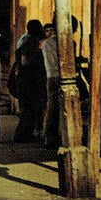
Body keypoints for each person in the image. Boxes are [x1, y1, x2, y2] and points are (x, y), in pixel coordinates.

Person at [12, 19, 47, 143]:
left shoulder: (24, 40)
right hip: (28, 80)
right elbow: (30, 62)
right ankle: (22, 134)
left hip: (23, 79)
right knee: (29, 109)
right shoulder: (32, 42)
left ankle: (24, 133)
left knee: (27, 109)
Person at [42, 21, 62, 149]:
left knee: (53, 108)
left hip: (52, 76)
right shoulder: (50, 43)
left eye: (51, 30)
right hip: (55, 76)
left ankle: (50, 136)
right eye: (47, 31)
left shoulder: (47, 44)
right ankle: (50, 137)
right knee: (54, 108)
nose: (49, 33)